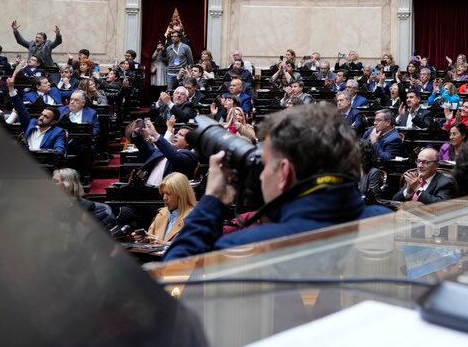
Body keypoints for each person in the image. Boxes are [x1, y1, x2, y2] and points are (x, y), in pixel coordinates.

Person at [165, 104, 391, 260]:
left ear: (283, 172)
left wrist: (212, 201)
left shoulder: (248, 248)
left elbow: (171, 282)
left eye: (265, 165)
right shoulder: (386, 224)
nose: (261, 175)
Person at [127, 117, 198, 185]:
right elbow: (146, 150)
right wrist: (137, 134)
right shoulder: (165, 151)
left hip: (165, 194)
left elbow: (174, 156)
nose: (175, 135)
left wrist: (155, 134)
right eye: (176, 133)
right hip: (146, 188)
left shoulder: (190, 156)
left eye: (181, 135)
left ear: (189, 142)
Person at [139, 172, 197, 244]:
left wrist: (164, 243)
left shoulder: (195, 217)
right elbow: (153, 239)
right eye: (163, 194)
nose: (164, 198)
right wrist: (146, 239)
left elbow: (192, 245)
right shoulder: (161, 213)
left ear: (181, 195)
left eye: (169, 194)